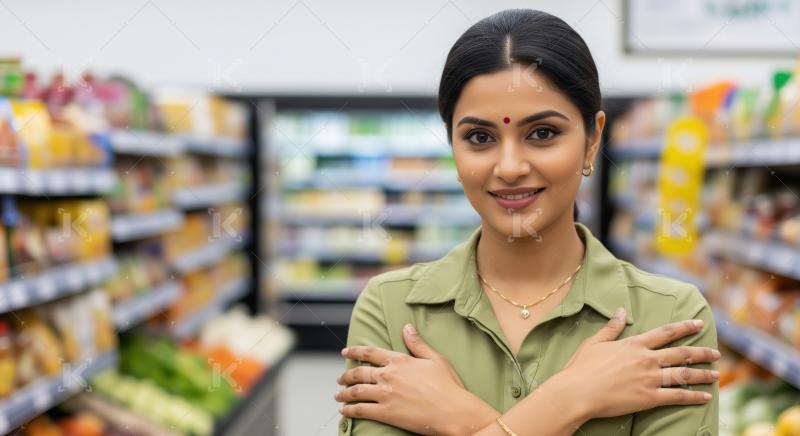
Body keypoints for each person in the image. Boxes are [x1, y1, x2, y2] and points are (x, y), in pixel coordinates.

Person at [334, 8, 719, 436]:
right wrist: (573, 398)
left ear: (592, 140)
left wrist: (460, 420)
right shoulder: (390, 309)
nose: (511, 166)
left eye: (542, 134)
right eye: (480, 138)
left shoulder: (669, 316)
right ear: (453, 149)